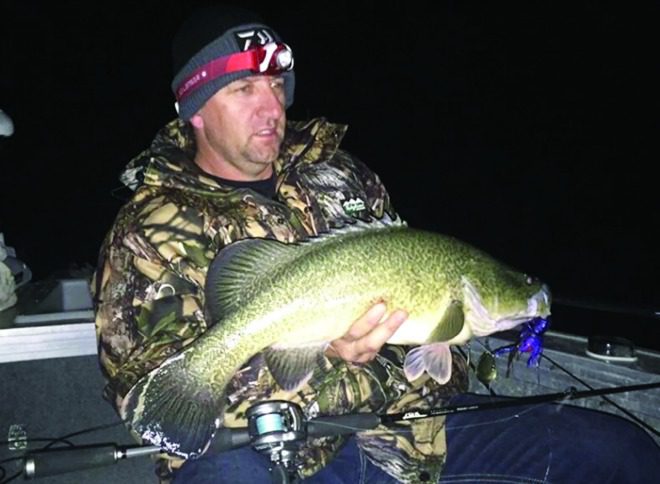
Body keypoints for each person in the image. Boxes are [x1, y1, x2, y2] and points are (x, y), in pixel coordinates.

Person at [93, 4, 660, 483]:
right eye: (243, 89)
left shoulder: (342, 174)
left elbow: (430, 333)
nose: (272, 108)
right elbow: (146, 390)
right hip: (270, 452)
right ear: (193, 110)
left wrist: (445, 346)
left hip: (410, 433)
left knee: (618, 451)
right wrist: (327, 358)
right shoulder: (149, 225)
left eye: (275, 85)